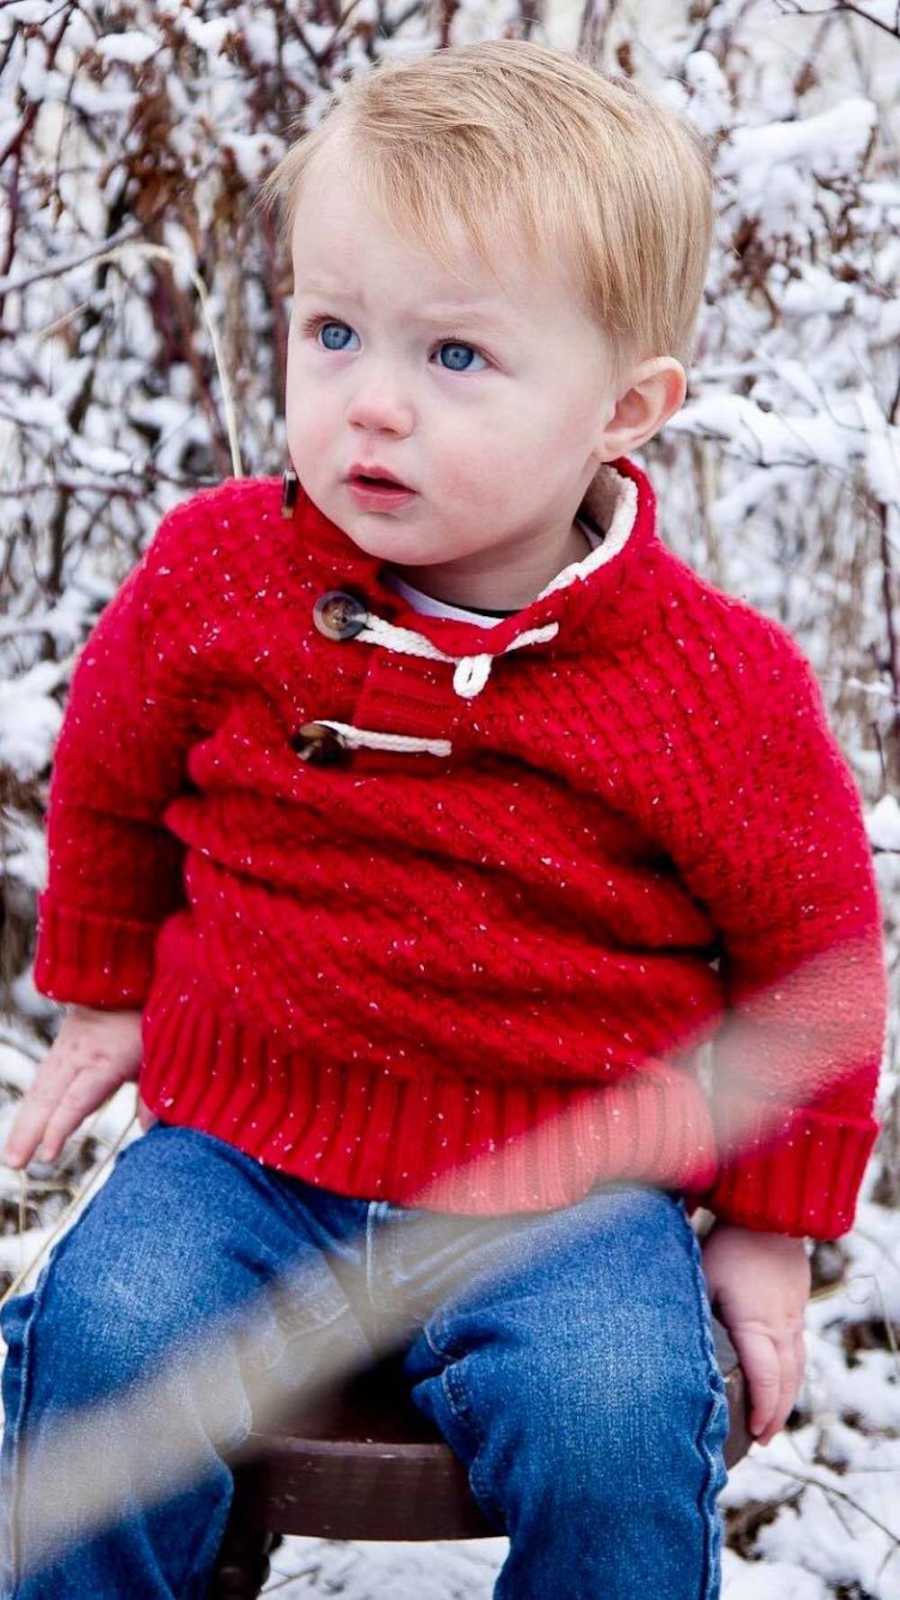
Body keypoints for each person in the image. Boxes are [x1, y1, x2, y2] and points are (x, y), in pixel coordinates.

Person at [0, 36, 887, 1600]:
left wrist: (767, 1226)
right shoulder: (219, 575)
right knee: (106, 1348)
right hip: (241, 1145)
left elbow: (816, 956)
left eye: (455, 357)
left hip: (570, 1177)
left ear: (628, 407)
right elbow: (118, 766)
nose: (371, 407)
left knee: (618, 1418)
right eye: (332, 332)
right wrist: (108, 985)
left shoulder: (710, 686)